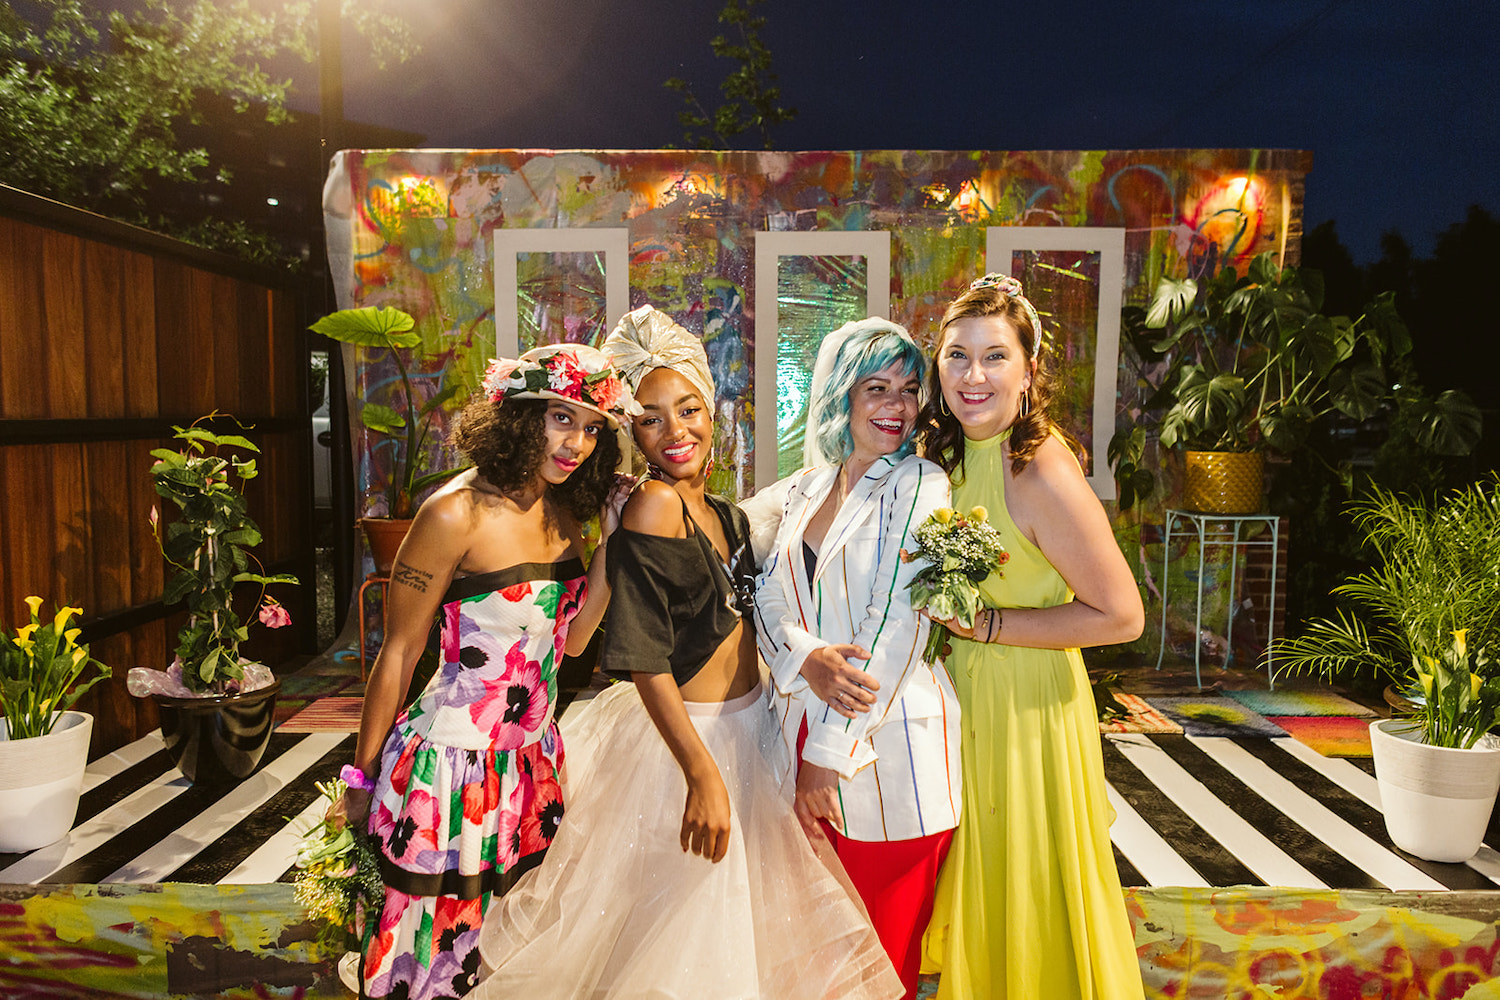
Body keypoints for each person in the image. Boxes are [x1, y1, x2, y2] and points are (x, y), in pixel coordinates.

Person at [470, 305, 902, 1000]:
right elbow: (640, 656)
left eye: (689, 409)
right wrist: (701, 774)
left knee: (737, 942)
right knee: (684, 948)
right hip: (687, 749)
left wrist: (811, 659)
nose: (675, 432)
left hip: (748, 733)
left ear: (713, 412)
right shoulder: (654, 506)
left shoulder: (727, 514)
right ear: (631, 434)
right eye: (650, 418)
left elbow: (753, 616)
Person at [330, 343, 639, 1000]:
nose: (577, 443)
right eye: (562, 418)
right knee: (440, 950)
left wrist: (611, 542)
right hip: (451, 772)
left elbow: (575, 642)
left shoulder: (563, 515)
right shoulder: (453, 513)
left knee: (511, 945)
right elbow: (398, 654)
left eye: (591, 428)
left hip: (533, 765)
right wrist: (360, 778)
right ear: (522, 415)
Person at [917, 274, 1146, 999]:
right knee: (976, 881)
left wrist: (987, 624)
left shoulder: (1039, 467)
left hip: (1025, 709)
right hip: (958, 701)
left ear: (1028, 371)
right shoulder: (945, 458)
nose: (973, 375)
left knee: (1024, 887)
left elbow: (1120, 615)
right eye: (957, 356)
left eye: (994, 357)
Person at [752, 317, 962, 999]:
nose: (897, 406)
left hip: (888, 756)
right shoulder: (808, 487)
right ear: (841, 395)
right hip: (798, 738)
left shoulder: (921, 482)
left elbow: (896, 622)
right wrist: (807, 657)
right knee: (817, 960)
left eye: (908, 389)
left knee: (877, 968)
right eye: (877, 388)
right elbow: (765, 600)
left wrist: (827, 758)